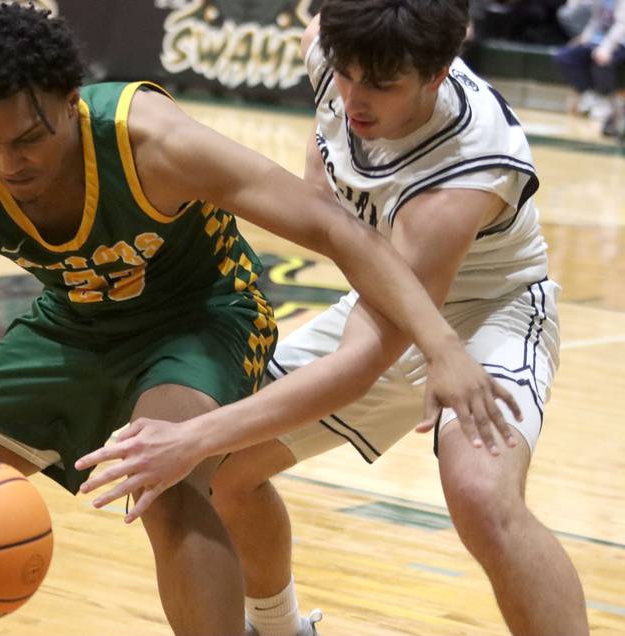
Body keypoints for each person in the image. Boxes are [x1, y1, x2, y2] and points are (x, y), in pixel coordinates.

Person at [0, 4, 519, 636]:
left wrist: (441, 346)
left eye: (29, 140)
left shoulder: (152, 142)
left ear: (71, 103)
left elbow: (334, 230)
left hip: (204, 315)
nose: (9, 163)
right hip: (76, 323)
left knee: (163, 478)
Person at [77, 2, 590, 635]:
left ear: (436, 74)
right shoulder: (332, 48)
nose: (355, 98)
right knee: (227, 477)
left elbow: (363, 360)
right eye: (346, 76)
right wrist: (322, 175)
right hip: (384, 294)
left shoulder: (461, 176)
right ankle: (281, 628)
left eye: (381, 85)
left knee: (482, 497)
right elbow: (329, 123)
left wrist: (191, 439)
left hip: (489, 312)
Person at [555, 0, 625, 133]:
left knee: (601, 59)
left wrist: (606, 47)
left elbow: (622, 25)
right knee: (565, 56)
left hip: (619, 42)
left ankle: (604, 101)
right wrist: (584, 38)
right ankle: (589, 95)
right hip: (597, 40)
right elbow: (595, 21)